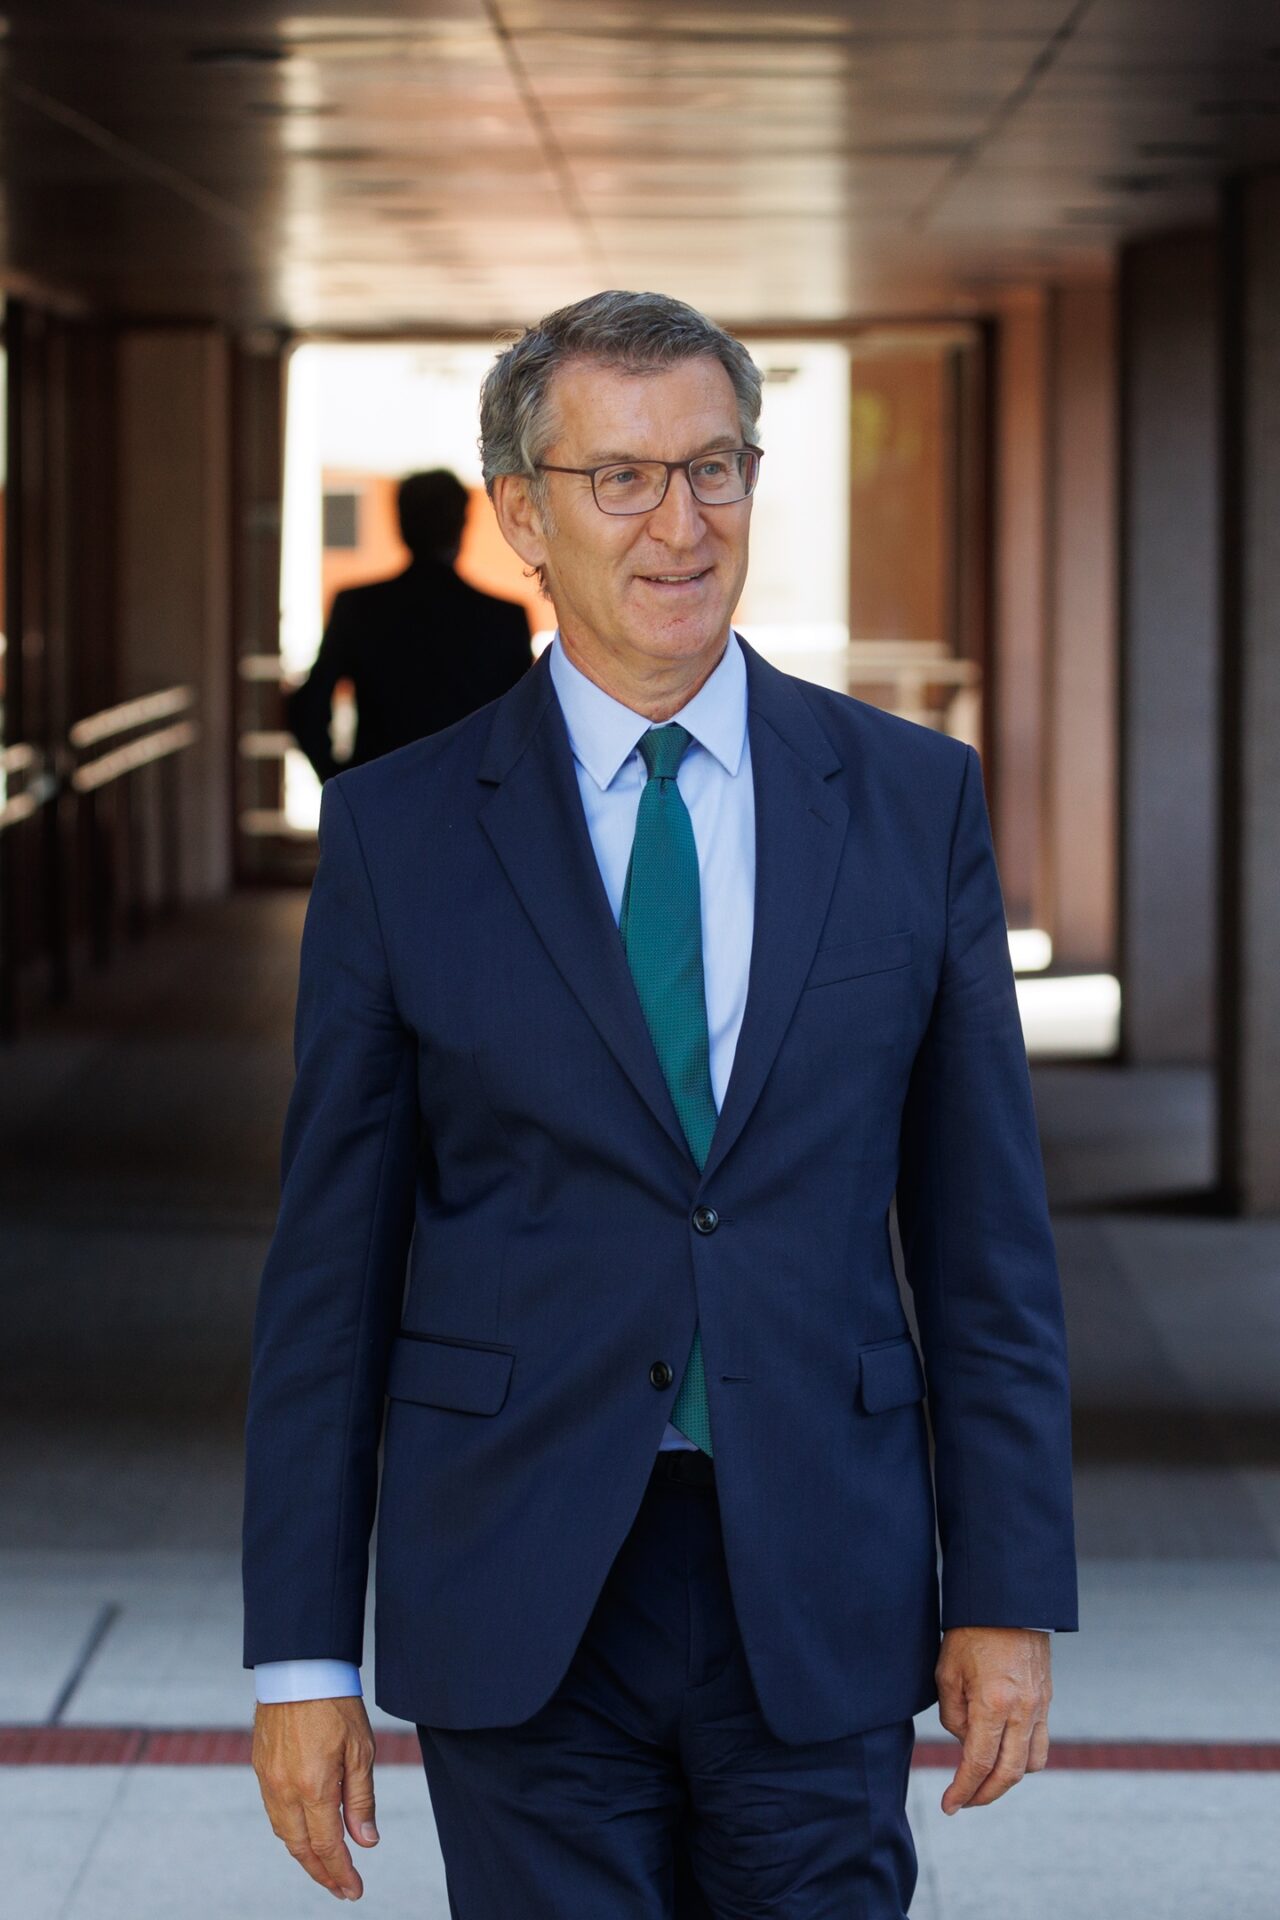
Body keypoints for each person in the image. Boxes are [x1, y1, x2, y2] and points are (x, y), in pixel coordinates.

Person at [243, 290, 1078, 1915]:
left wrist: (1008, 1588)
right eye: (619, 478)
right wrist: (300, 1655)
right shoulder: (402, 838)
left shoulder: (911, 803)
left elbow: (988, 1248)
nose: (678, 524)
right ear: (522, 515)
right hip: (517, 1571)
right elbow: (326, 1286)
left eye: (712, 468)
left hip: (821, 1568)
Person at [286, 467, 532, 782]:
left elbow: (308, 710)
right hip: (472, 796)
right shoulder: (503, 619)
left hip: (383, 791)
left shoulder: (359, 608)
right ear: (461, 524)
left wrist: (344, 783)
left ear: (401, 524)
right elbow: (526, 726)